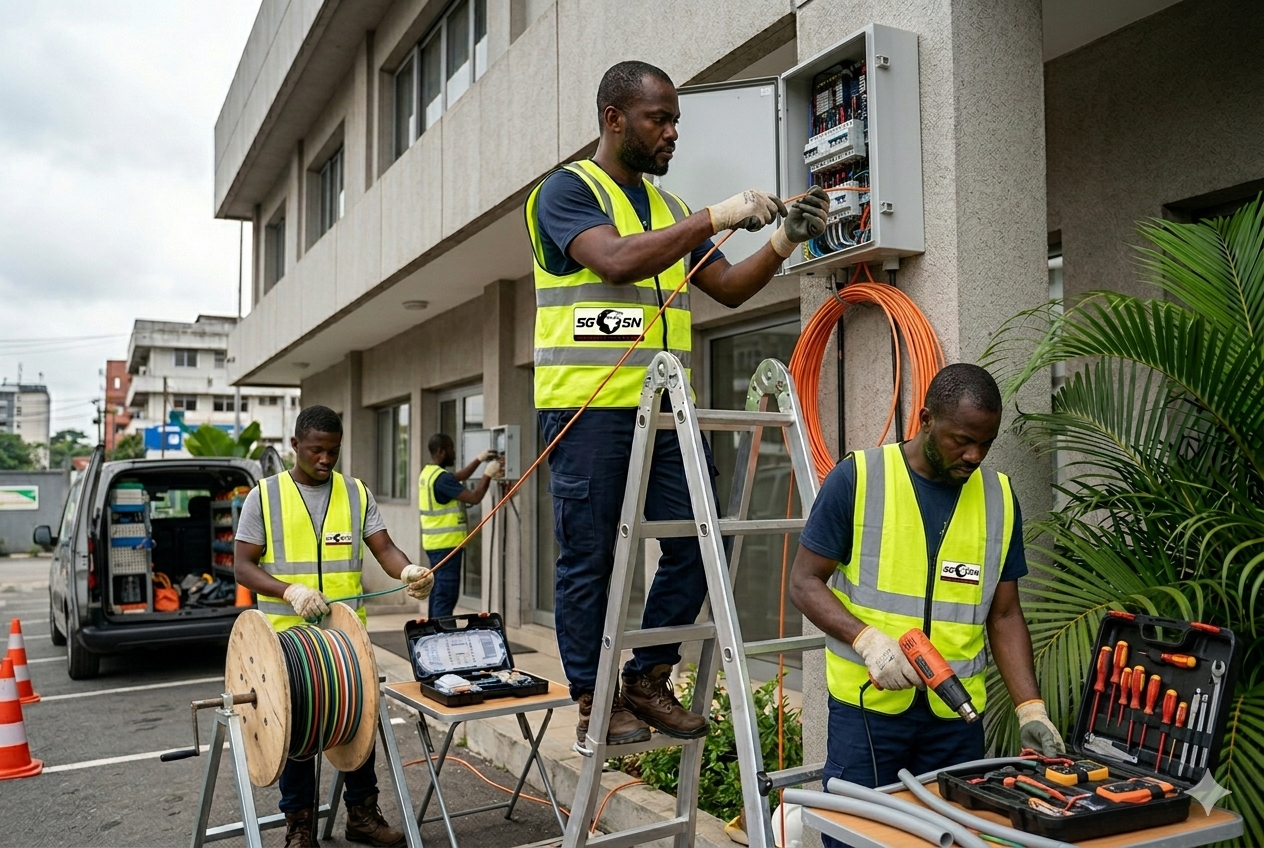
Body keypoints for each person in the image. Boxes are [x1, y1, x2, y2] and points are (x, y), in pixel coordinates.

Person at [526, 59, 829, 746]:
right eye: (657, 120)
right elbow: (616, 261)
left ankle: (648, 677)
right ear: (614, 119)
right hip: (588, 412)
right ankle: (593, 700)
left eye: (675, 122)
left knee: (701, 539)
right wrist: (716, 215)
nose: (671, 135)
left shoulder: (665, 210)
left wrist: (784, 240)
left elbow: (728, 289)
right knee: (590, 559)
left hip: (665, 413)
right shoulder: (566, 192)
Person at [788, 365, 1064, 845]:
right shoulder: (860, 477)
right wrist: (868, 641)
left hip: (956, 721)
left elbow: (1004, 613)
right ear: (925, 419)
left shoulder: (998, 497)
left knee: (952, 837)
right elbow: (805, 582)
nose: (974, 455)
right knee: (858, 837)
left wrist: (1030, 708)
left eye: (986, 442)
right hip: (869, 710)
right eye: (961, 440)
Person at [234, 405, 435, 848]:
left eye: (334, 451)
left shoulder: (356, 493)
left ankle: (362, 816)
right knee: (299, 735)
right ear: (295, 446)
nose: (325, 460)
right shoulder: (264, 497)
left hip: (346, 642)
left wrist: (407, 572)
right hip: (289, 644)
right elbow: (243, 568)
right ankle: (299, 826)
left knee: (357, 728)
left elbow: (384, 548)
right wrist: (290, 591)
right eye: (316, 451)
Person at [418, 434, 503, 618]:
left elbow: (459, 477)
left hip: (435, 545)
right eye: (451, 449)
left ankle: (433, 635)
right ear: (442, 452)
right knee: (446, 596)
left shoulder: (429, 473)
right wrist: (488, 474)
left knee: (438, 593)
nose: (454, 453)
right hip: (447, 547)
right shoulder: (441, 479)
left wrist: (479, 460)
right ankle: (443, 638)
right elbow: (474, 497)